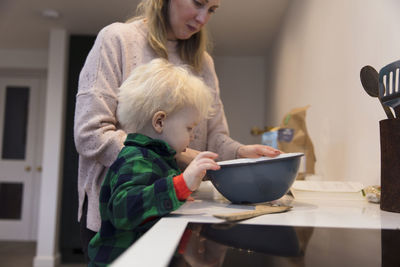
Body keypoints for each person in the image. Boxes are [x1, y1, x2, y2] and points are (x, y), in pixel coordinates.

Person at [74, 0, 281, 261]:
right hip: (119, 220)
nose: (204, 18)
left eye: (213, 10)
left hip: (176, 211)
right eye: (198, 3)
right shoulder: (117, 40)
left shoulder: (203, 62)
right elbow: (91, 134)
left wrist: (241, 152)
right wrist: (176, 156)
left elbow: (213, 138)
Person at [87, 58, 220, 266]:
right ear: (160, 121)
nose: (192, 136)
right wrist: (180, 186)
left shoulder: (159, 158)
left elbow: (151, 209)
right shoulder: (137, 158)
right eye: (189, 128)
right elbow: (125, 210)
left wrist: (179, 197)